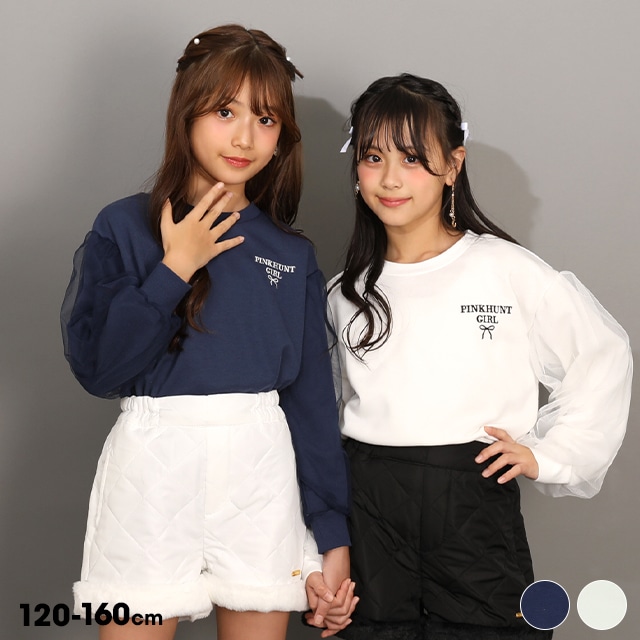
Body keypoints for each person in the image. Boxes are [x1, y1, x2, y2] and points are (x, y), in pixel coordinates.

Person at [61, 24, 353, 640]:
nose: (244, 137)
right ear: (186, 111)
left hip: (259, 471)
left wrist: (331, 533)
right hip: (152, 470)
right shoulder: (124, 226)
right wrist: (174, 269)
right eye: (225, 111)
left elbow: (310, 404)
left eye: (265, 119)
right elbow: (100, 368)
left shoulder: (290, 254)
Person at [326, 73, 632, 640]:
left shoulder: (504, 269)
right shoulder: (345, 293)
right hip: (367, 506)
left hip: (471, 502)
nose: (390, 178)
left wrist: (552, 455)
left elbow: (601, 355)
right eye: (372, 157)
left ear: (453, 164)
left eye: (413, 158)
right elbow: (316, 415)